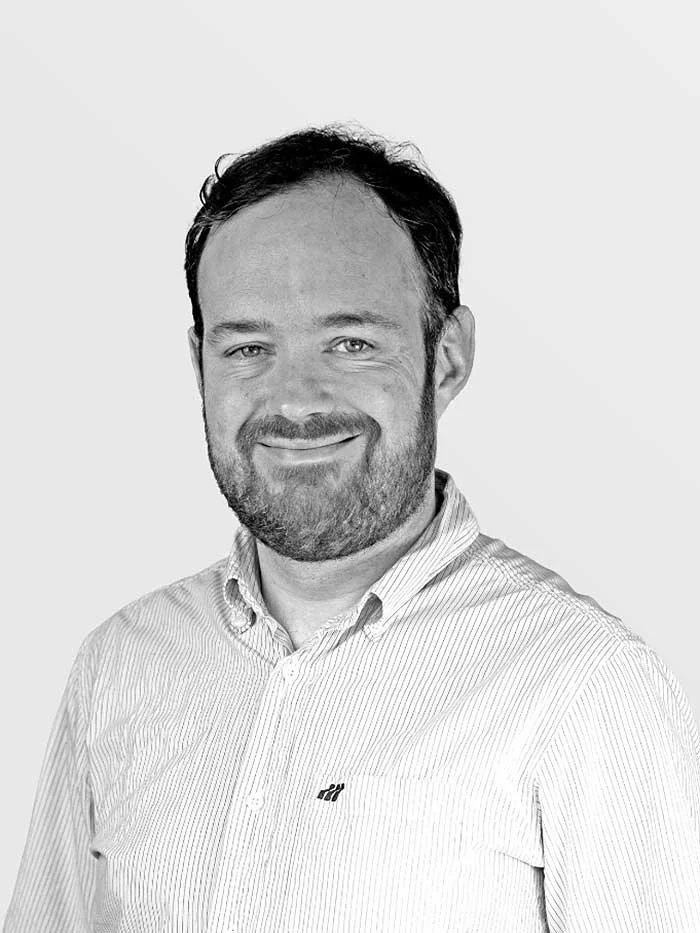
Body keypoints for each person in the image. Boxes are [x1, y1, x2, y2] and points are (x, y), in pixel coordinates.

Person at [5, 125, 700, 933]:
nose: (296, 398)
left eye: (351, 342)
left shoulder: (585, 686)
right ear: (199, 363)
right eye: (249, 347)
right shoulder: (119, 666)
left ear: (448, 356)